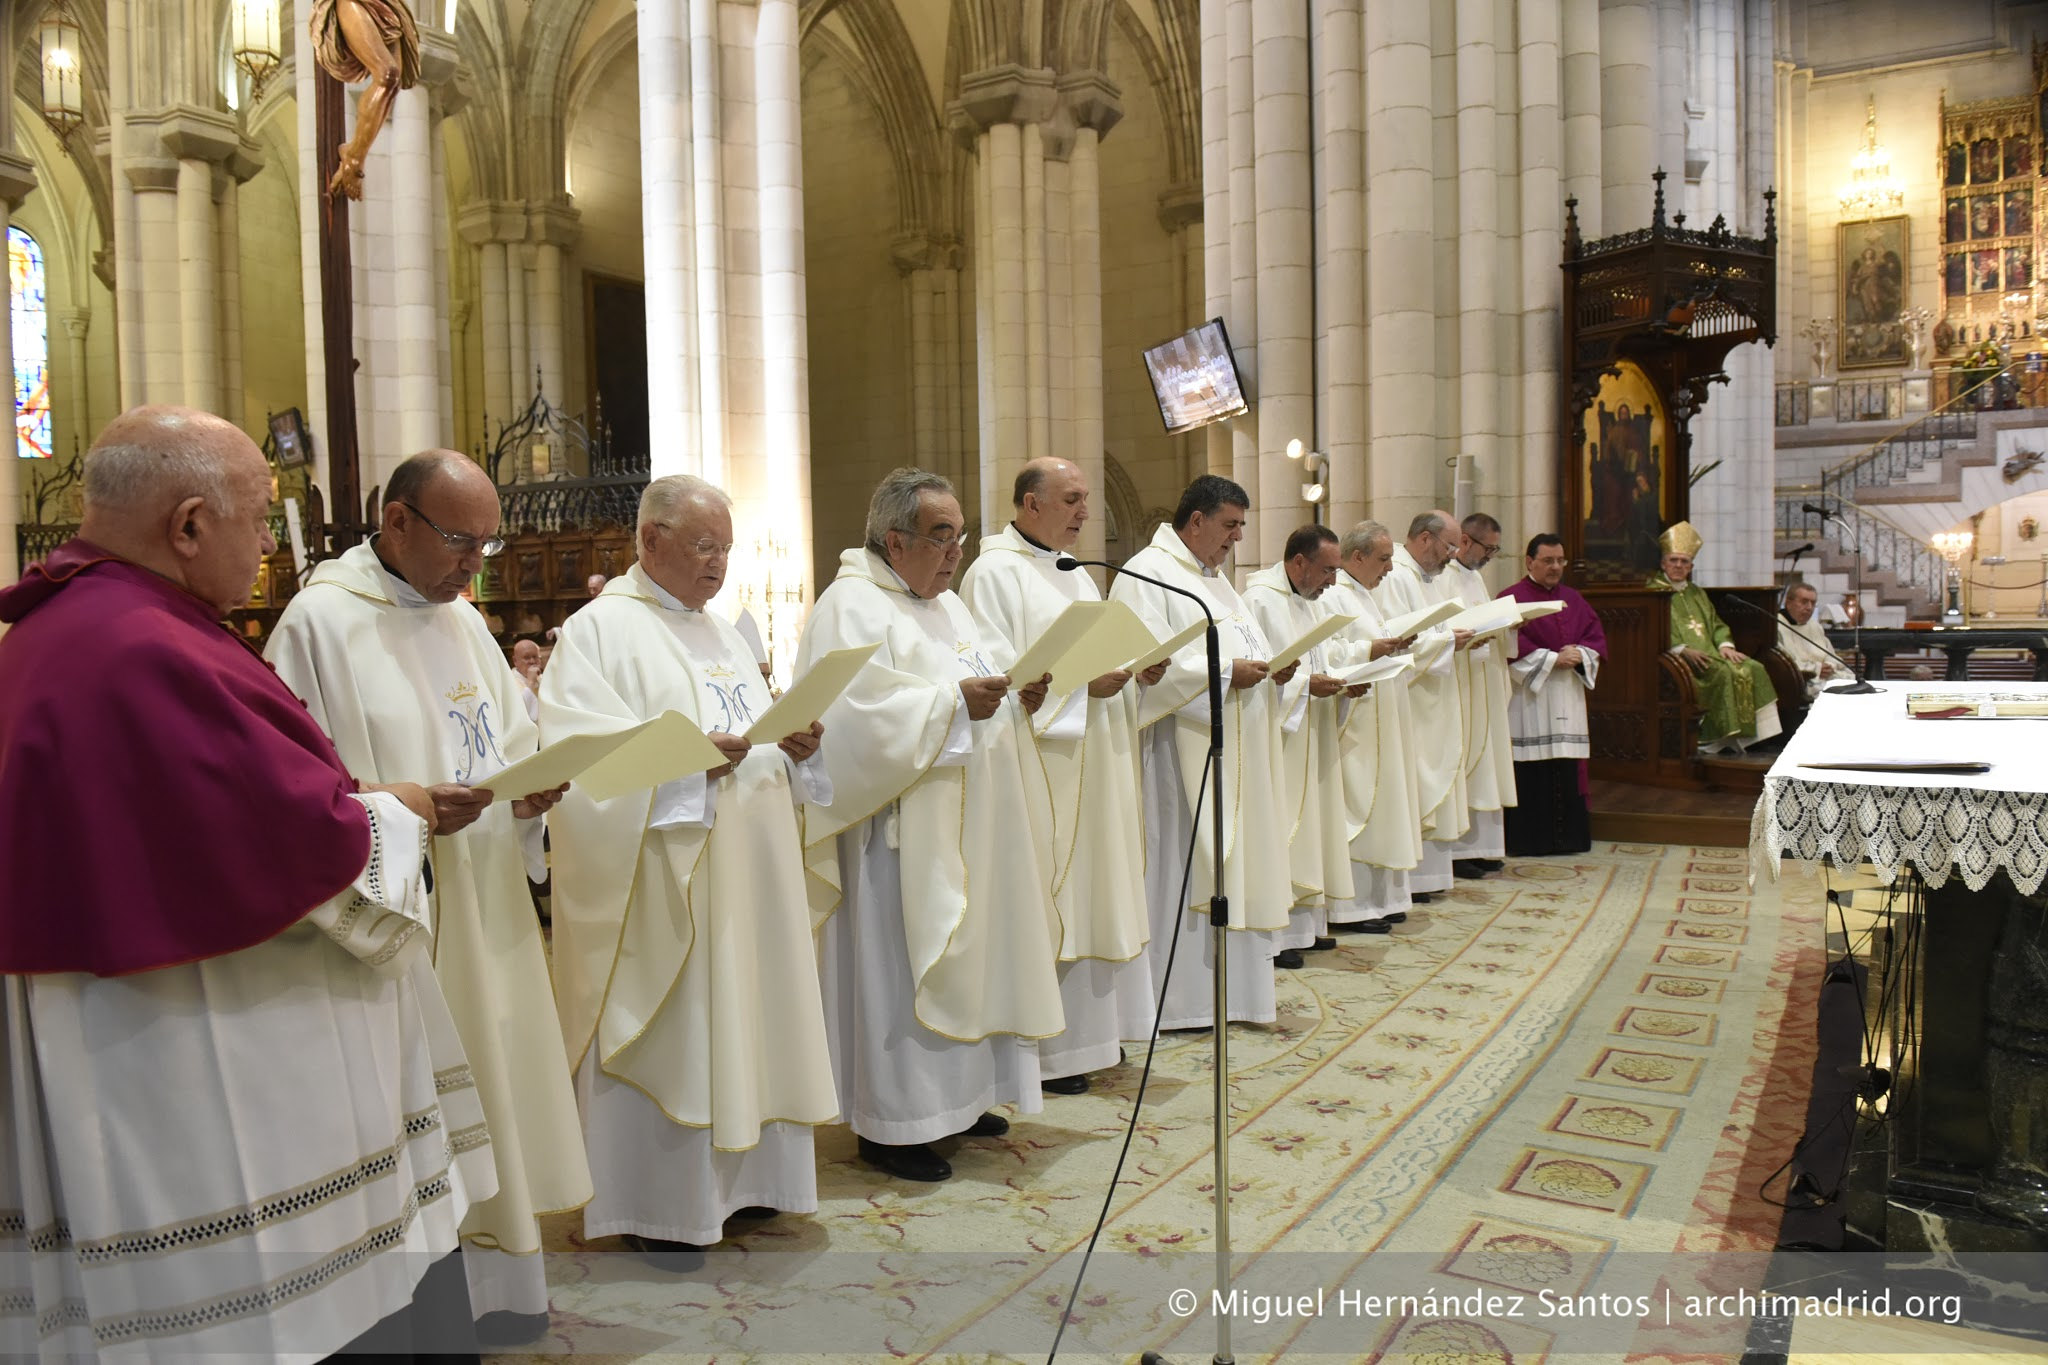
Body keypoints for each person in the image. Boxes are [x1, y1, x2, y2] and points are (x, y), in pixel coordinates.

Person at [0, 406, 496, 1360]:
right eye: (260, 517)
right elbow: (298, 846)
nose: (271, 541)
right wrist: (398, 811)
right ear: (188, 525)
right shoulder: (146, 649)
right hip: (178, 1065)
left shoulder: (79, 627)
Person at [267, 450, 593, 1342]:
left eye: (487, 545)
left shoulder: (463, 622)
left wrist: (528, 795)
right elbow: (295, 792)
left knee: (495, 1086)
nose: (473, 565)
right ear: (397, 519)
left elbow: (508, 733)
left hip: (485, 900)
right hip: (405, 917)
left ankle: (504, 1288)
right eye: (459, 540)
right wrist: (403, 810)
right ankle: (433, 1307)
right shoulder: (320, 624)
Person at [541, 475, 838, 1260]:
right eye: (704, 546)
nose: (718, 565)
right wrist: (684, 765)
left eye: (726, 550)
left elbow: (750, 730)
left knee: (747, 1011)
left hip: (747, 872)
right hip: (664, 883)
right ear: (650, 540)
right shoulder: (597, 632)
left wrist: (789, 743)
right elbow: (577, 763)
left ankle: (748, 1187)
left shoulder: (728, 634)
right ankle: (660, 1203)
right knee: (683, 1026)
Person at [794, 468, 1063, 1184]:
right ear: (895, 539)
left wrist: (1017, 693)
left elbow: (981, 678)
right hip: (897, 836)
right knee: (903, 965)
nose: (954, 555)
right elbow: (847, 720)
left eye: (959, 538)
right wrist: (951, 707)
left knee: (972, 955)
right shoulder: (849, 607)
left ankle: (963, 1098)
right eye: (941, 538)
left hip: (971, 822)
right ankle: (897, 1121)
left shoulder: (947, 606)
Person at [958, 457, 1157, 1092]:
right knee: (1050, 897)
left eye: (1086, 500)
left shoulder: (1075, 574)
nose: (1084, 513)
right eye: (1071, 499)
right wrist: (1079, 683)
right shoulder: (992, 573)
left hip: (1092, 760)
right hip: (1040, 767)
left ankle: (1090, 1040)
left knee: (1092, 892)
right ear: (1029, 503)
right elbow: (998, 676)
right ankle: (1045, 1052)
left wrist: (1133, 675)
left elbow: (1094, 657)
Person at [1109, 475, 1296, 1029]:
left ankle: (1233, 996)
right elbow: (1143, 667)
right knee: (1183, 869)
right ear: (1196, 521)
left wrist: (1269, 668)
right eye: (1230, 525)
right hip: (1178, 754)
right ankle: (1179, 1004)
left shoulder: (1216, 580)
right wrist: (1225, 673)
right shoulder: (1148, 573)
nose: (1237, 538)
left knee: (1232, 866)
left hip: (1236, 748)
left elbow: (1244, 647)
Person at [1244, 523, 1356, 965]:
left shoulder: (1308, 601)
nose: (1333, 582)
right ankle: (1280, 936)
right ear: (1298, 563)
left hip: (1309, 727)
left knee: (1311, 829)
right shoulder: (1259, 600)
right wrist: (1307, 686)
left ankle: (1307, 927)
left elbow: (1316, 659)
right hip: (1281, 732)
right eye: (1328, 571)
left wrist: (1341, 682)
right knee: (1286, 830)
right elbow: (1265, 673)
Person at [1322, 521, 1423, 932]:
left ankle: (1381, 899)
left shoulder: (1364, 594)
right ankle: (1353, 906)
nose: (1389, 569)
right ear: (1358, 556)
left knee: (1382, 805)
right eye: (1383, 560)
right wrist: (1371, 648)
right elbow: (1327, 651)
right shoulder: (1334, 595)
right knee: (1358, 807)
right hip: (1355, 722)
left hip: (1382, 715)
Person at [1377, 510, 1474, 898]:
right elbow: (1396, 638)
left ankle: (1428, 878)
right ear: (1424, 539)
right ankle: (1412, 881)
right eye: (1449, 545)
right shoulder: (1397, 575)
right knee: (1415, 784)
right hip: (1413, 699)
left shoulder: (1430, 577)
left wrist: (1454, 636)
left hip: (1435, 694)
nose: (1453, 554)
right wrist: (1449, 641)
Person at [1499, 534, 1608, 856]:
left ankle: (1568, 840)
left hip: (1567, 696)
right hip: (1529, 700)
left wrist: (1581, 653)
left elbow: (1596, 638)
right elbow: (1507, 646)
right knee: (1532, 773)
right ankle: (1530, 841)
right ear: (1529, 561)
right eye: (1548, 561)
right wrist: (1551, 659)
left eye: (1560, 560)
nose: (1556, 567)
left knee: (1566, 767)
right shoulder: (1510, 599)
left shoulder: (1574, 598)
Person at [1648, 521, 1780, 752]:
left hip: (1711, 654)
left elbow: (1717, 624)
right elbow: (1653, 629)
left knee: (1754, 667)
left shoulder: (1696, 592)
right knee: (1723, 672)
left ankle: (1751, 739)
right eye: (1674, 560)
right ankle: (1716, 742)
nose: (1679, 566)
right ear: (1663, 563)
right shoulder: (1653, 592)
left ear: (1691, 566)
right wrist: (1681, 650)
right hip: (1680, 661)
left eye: (1684, 561)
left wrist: (1725, 645)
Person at [1444, 512, 1517, 880]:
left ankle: (1485, 847)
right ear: (1466, 541)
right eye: (1489, 548)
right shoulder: (1444, 576)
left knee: (1486, 764)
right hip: (1461, 681)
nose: (1491, 555)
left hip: (1482, 678)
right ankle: (1460, 852)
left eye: (1496, 550)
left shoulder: (1474, 577)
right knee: (1468, 764)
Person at [1778, 581, 1840, 698]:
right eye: (1804, 602)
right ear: (1788, 603)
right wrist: (1817, 669)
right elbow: (1782, 664)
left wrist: (1829, 665)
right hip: (1801, 681)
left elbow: (1830, 654)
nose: (1809, 608)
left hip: (1825, 676)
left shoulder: (1814, 626)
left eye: (1813, 603)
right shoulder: (1777, 626)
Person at [511, 637, 544, 719]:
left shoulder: (544, 679)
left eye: (535, 657)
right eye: (526, 658)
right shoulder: (508, 682)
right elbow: (516, 712)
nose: (532, 661)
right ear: (515, 661)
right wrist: (531, 683)